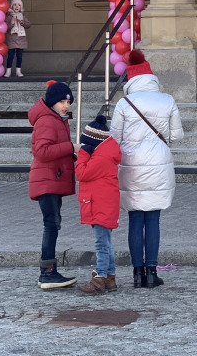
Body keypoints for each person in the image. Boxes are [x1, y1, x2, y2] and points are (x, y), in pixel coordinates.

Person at [110, 50, 184, 289]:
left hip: (132, 164)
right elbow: (176, 135)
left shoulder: (124, 103)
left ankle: (136, 273)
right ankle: (152, 273)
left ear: (131, 79)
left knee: (134, 218)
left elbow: (114, 138)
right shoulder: (167, 100)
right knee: (153, 218)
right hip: (159, 163)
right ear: (151, 77)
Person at [28, 80, 77, 290]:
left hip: (50, 179)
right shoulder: (47, 121)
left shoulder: (57, 119)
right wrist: (70, 147)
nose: (65, 105)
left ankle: (48, 271)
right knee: (51, 225)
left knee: (53, 224)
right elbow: (42, 152)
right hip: (46, 181)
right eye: (61, 101)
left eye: (68, 101)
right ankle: (47, 273)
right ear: (52, 102)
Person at [75, 109, 122, 294]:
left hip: (100, 204)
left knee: (101, 244)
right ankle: (110, 277)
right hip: (103, 203)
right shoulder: (106, 152)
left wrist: (83, 154)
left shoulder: (100, 156)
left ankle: (100, 278)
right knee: (107, 242)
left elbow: (82, 173)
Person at [5, 0, 30, 77]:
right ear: (12, 6)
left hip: (21, 39)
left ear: (21, 7)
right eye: (15, 5)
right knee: (11, 56)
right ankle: (8, 71)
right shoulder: (9, 17)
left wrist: (22, 23)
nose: (16, 6)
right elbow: (6, 28)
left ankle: (18, 71)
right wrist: (12, 23)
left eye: (19, 5)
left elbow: (28, 25)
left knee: (19, 56)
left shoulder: (22, 16)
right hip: (12, 39)